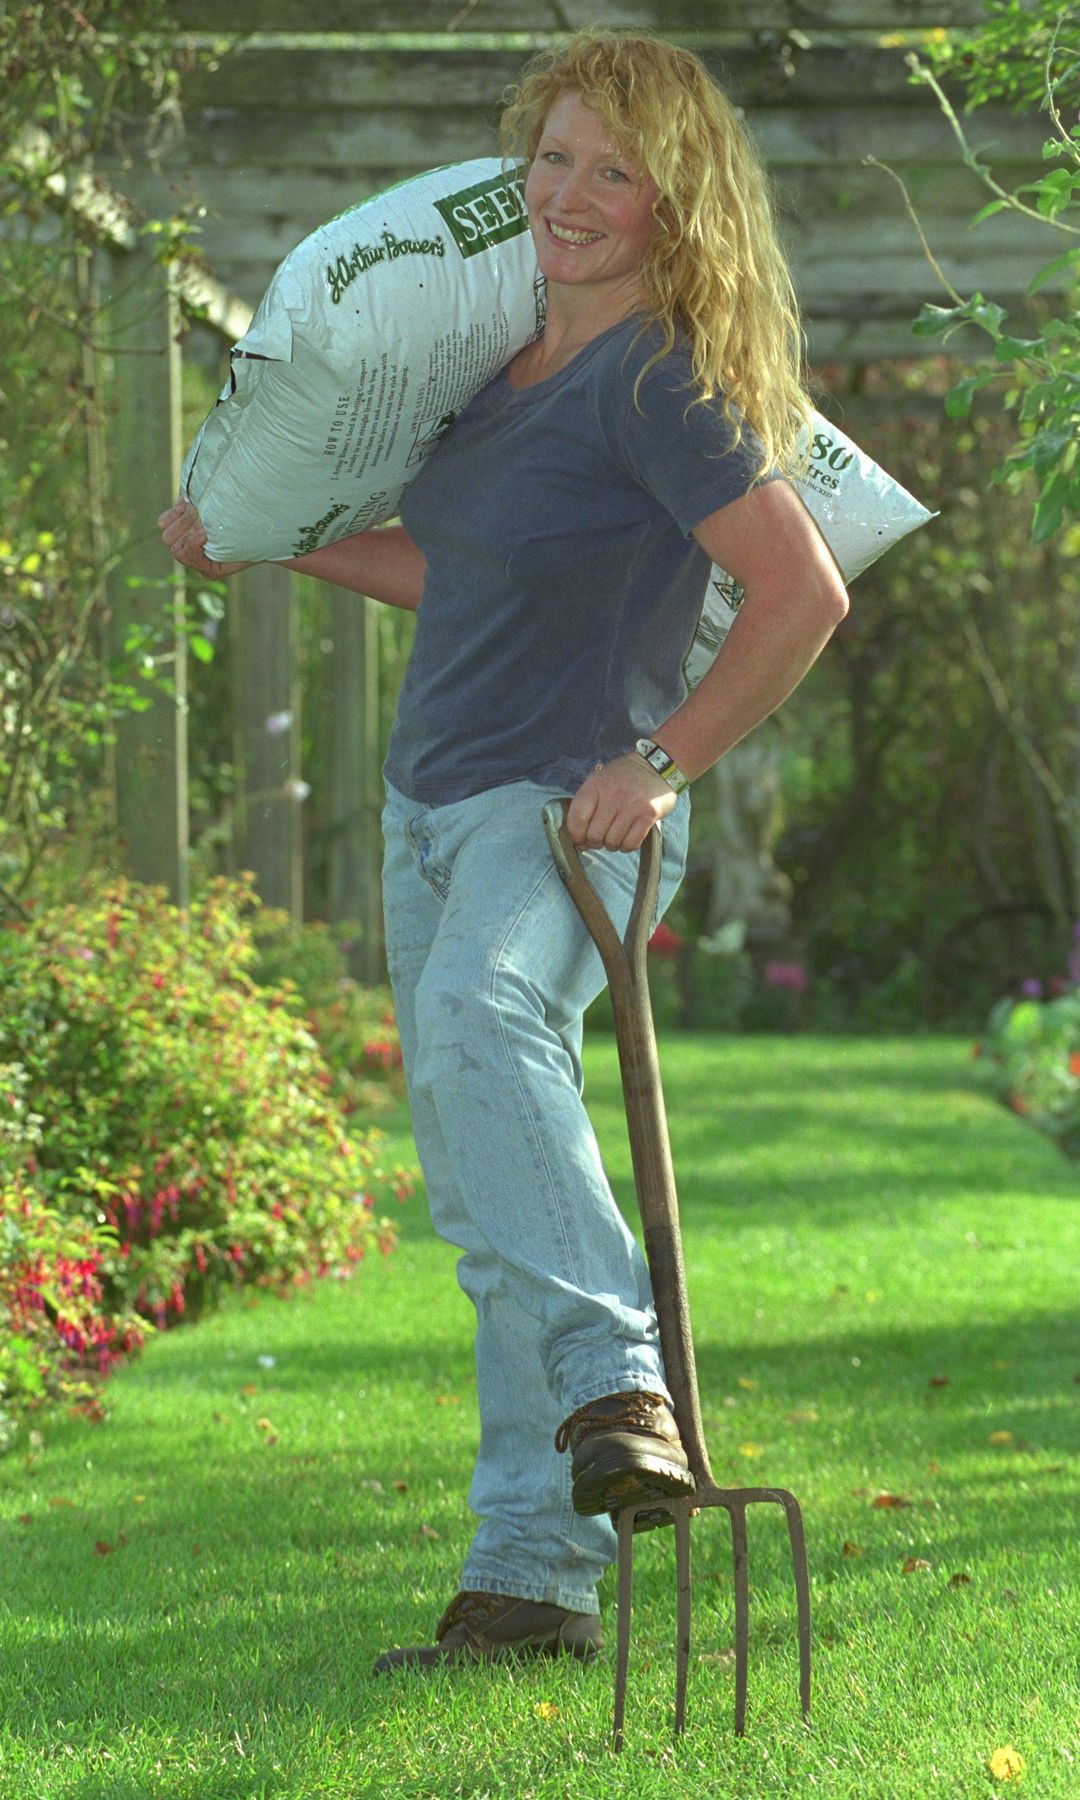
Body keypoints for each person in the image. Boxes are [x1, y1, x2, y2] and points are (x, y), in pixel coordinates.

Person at [160, 30, 848, 1672]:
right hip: (431, 807)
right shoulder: (500, 370)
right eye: (552, 160)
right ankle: (528, 1584)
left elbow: (802, 590)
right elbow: (454, 577)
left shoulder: (661, 378)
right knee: (485, 1217)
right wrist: (268, 545)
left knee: (482, 1017)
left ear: (675, 204)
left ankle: (624, 1378)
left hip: (563, 811)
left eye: (614, 171)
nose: (572, 196)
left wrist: (661, 765)